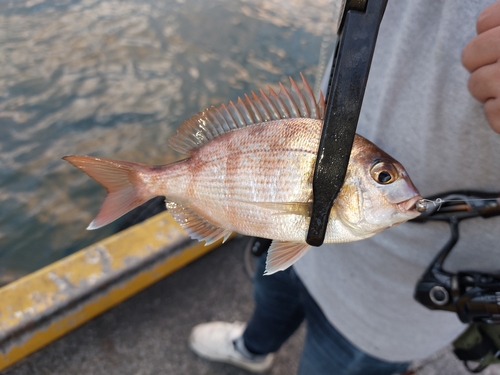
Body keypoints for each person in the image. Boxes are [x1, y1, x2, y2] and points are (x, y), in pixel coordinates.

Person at [188, 1, 500, 374]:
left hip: (410, 280)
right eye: (385, 177)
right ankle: (252, 349)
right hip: (294, 226)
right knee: (271, 294)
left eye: (385, 179)